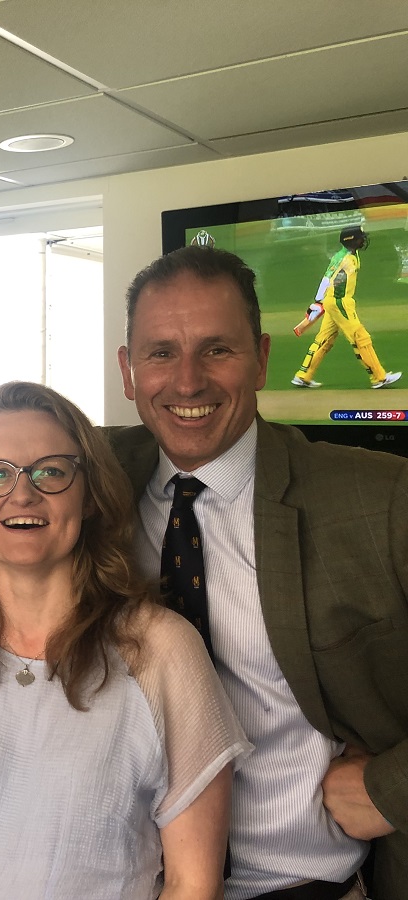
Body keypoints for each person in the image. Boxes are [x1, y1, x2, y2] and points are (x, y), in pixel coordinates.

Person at [114, 245, 408, 899]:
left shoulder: (377, 498)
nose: (187, 381)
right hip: (131, 881)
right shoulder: (86, 476)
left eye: (216, 350)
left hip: (301, 880)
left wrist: (390, 789)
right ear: (128, 371)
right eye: (161, 352)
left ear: (263, 359)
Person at [0, 381, 248, 899]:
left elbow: (192, 882)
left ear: (90, 495)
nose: (22, 493)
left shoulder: (162, 650)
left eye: (51, 471)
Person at [291, 226, 401, 389]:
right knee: (359, 336)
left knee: (325, 339)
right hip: (339, 302)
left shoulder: (347, 254)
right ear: (350, 240)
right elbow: (327, 279)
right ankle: (379, 377)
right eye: (360, 238)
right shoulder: (344, 259)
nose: (363, 240)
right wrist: (318, 301)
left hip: (334, 301)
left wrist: (321, 301)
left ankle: (303, 376)